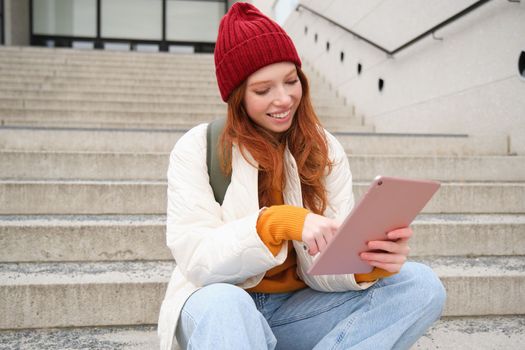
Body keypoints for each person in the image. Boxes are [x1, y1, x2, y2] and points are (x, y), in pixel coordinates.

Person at [157, 3, 446, 350]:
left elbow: (322, 272)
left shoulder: (324, 149)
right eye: (263, 90)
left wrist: (365, 265)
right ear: (237, 97)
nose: (283, 99)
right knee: (225, 303)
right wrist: (278, 223)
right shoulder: (197, 147)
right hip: (218, 306)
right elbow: (197, 260)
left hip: (299, 310)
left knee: (420, 285)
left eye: (291, 81)